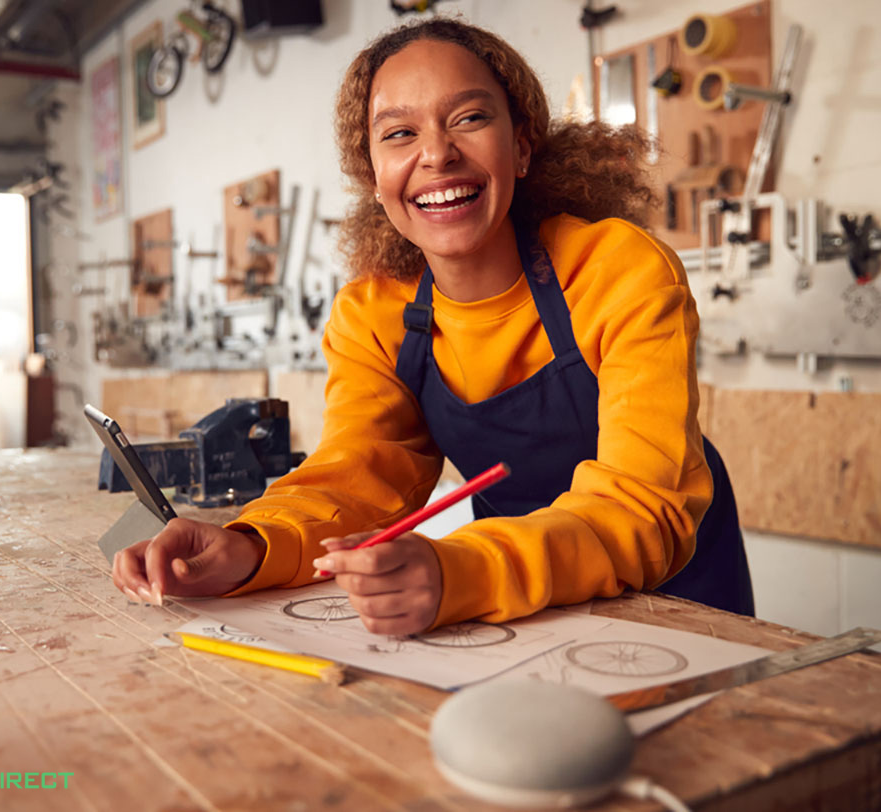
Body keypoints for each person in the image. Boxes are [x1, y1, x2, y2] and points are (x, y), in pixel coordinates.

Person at [112, 17, 755, 634]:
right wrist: (249, 547)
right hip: (518, 604)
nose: (438, 155)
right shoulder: (374, 313)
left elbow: (641, 510)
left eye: (470, 119)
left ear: (522, 145)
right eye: (398, 133)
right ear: (372, 173)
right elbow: (356, 479)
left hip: (672, 597)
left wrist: (464, 571)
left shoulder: (616, 269)